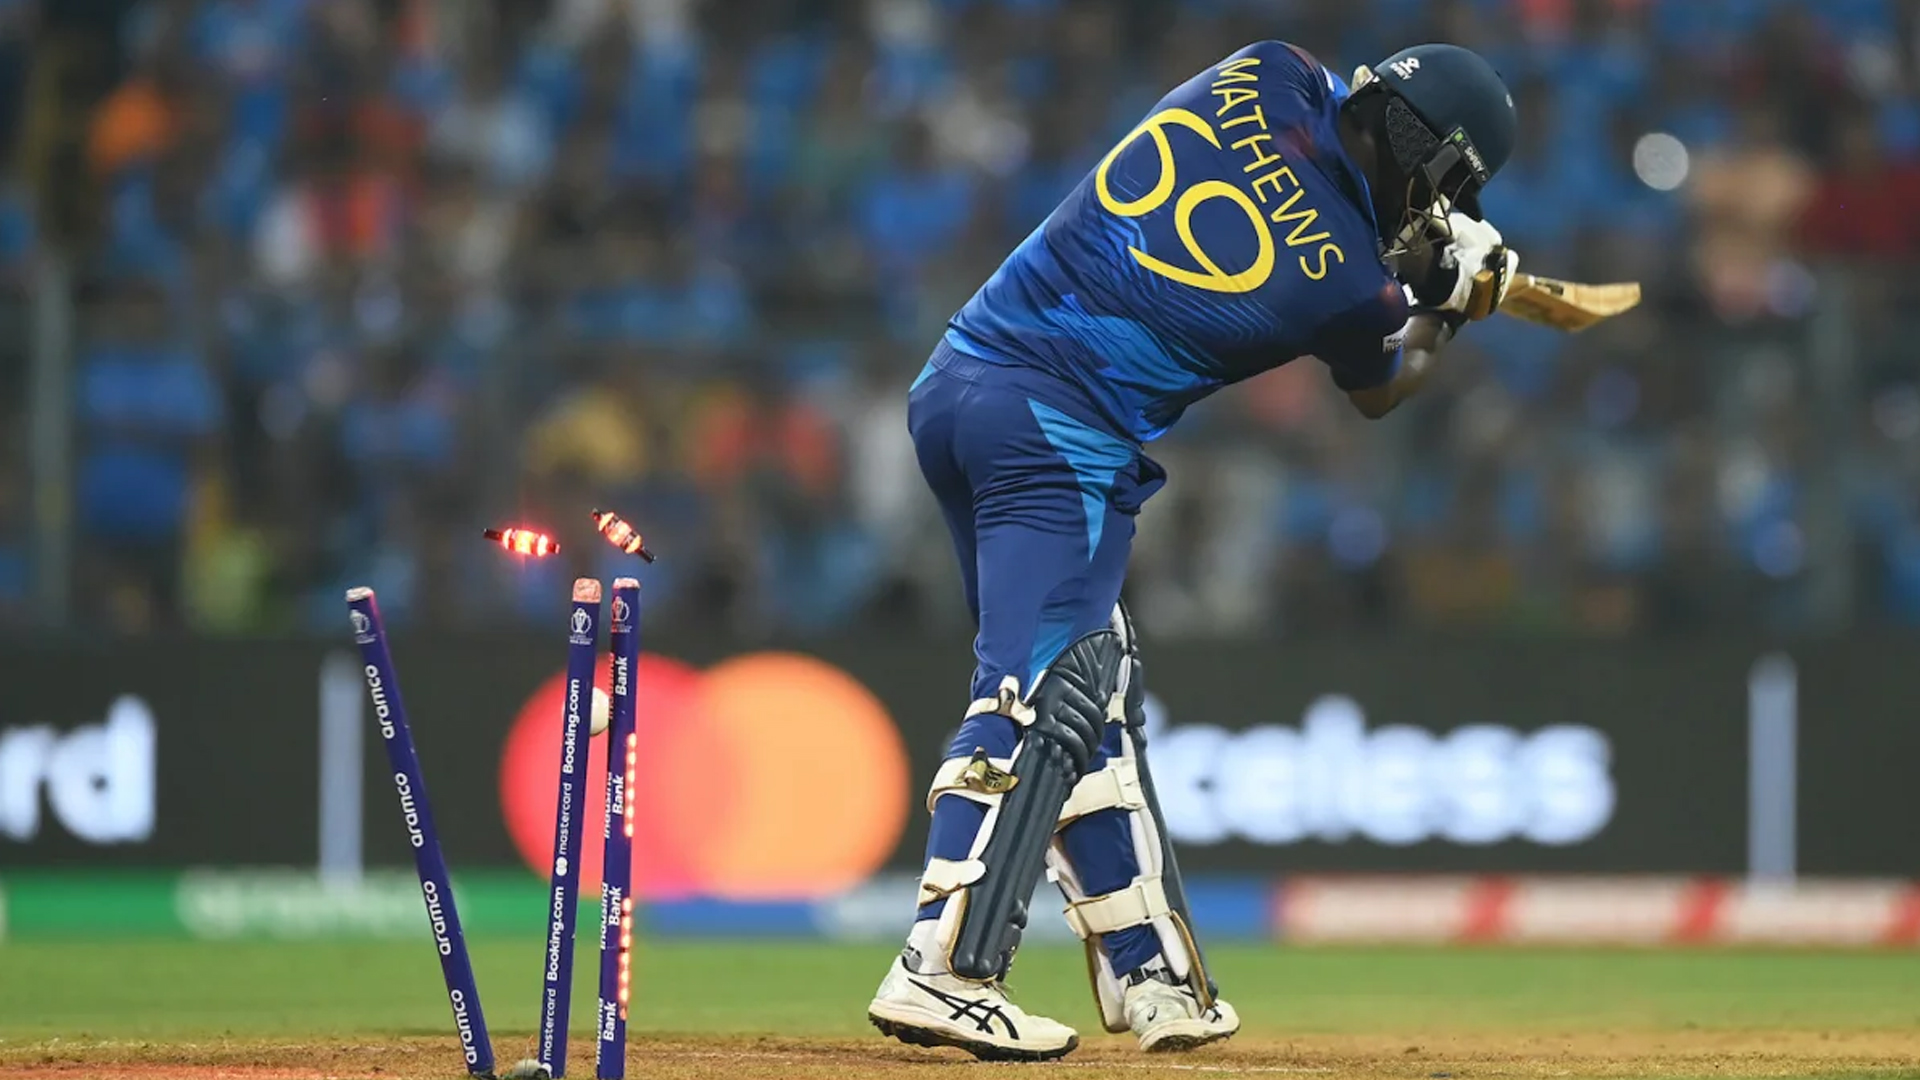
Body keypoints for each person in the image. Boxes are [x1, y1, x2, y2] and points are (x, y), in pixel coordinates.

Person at [866, 40, 1521, 1061]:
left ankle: (1152, 976)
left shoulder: (1268, 70)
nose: (1433, 210)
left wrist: (1416, 267)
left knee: (1091, 685)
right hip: (1056, 430)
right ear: (1436, 160)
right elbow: (1381, 387)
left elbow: (1320, 153)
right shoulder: (1349, 286)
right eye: (1445, 188)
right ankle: (943, 966)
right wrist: (1448, 305)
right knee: (1036, 694)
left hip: (959, 385)